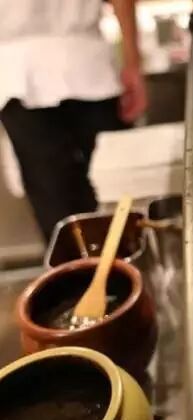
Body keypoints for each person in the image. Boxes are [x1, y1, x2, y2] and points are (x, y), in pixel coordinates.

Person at [0, 0, 147, 240]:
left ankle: (90, 263)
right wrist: (133, 64)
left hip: (20, 74)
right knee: (118, 193)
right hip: (86, 66)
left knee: (60, 206)